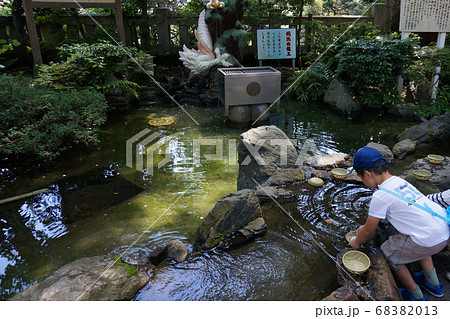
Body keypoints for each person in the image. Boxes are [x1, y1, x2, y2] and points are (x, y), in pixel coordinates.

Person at [349, 146, 449, 301]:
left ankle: (415, 295)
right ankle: (433, 284)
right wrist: (366, 226)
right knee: (422, 239)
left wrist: (355, 243)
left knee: (389, 254)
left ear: (367, 174)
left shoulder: (380, 196)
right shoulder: (400, 182)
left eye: (361, 178)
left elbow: (368, 231)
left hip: (427, 240)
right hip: (442, 232)